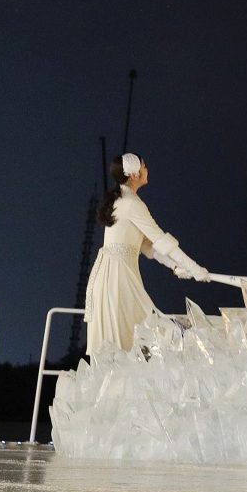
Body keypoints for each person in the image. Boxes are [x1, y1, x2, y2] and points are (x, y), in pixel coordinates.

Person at [84, 152, 210, 354]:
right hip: (117, 278)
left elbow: (148, 246)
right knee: (142, 332)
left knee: (132, 337)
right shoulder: (133, 205)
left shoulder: (123, 201)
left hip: (115, 276)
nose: (147, 169)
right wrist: (195, 268)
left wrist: (176, 266)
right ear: (134, 174)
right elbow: (159, 240)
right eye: (144, 166)